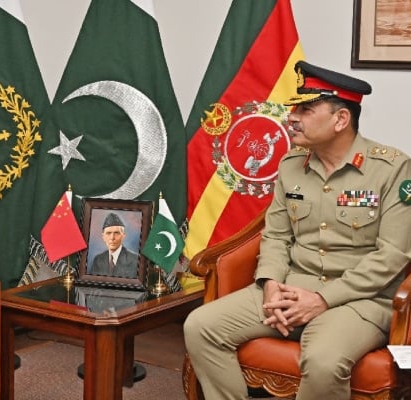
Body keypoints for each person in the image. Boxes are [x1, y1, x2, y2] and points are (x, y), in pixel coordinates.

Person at [183, 61, 411, 399]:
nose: (292, 117)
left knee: (322, 360)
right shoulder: (292, 164)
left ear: (340, 120)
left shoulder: (392, 169)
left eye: (306, 109)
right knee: (200, 326)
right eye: (294, 109)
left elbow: (392, 255)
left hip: (358, 300)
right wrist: (272, 285)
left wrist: (322, 299)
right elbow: (275, 236)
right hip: (290, 286)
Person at [90, 212, 139, 278]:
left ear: (123, 236)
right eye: (108, 233)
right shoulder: (98, 260)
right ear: (103, 236)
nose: (112, 238)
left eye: (116, 233)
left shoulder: (135, 260)